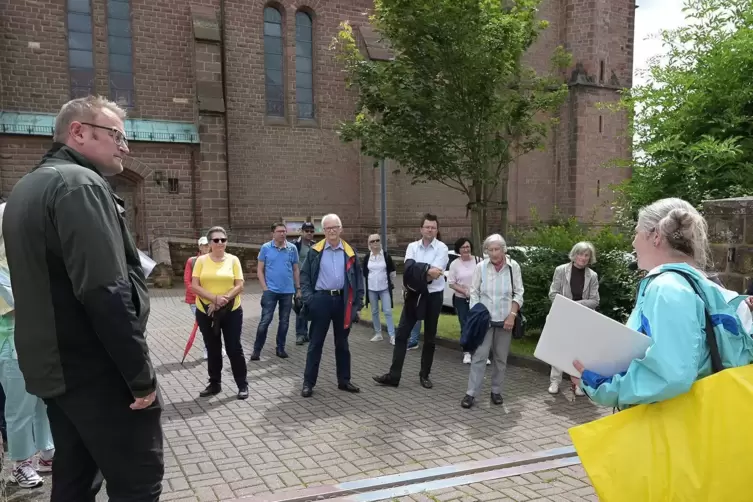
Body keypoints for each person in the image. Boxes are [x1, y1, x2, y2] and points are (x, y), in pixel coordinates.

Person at [3, 96, 163, 501]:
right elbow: (104, 290)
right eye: (116, 136)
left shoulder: (27, 187)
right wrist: (140, 376)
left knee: (75, 478)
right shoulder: (79, 184)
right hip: (97, 370)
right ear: (78, 132)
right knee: (138, 483)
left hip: (58, 369)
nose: (125, 147)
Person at [575, 198, 753, 409]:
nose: (633, 242)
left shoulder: (666, 287)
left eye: (637, 232)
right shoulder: (712, 289)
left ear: (656, 236)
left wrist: (599, 385)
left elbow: (671, 374)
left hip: (667, 428)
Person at [0, 201, 54, 489]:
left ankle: (46, 452)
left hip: (36, 342)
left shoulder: (23, 263)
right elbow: (19, 307)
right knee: (19, 407)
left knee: (42, 402)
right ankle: (20, 463)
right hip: (12, 344)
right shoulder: (2, 270)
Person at [374, 214, 449, 389]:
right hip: (414, 295)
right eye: (427, 227)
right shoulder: (412, 247)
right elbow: (408, 270)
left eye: (433, 227)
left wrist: (418, 271)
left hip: (433, 296)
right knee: (401, 335)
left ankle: (424, 375)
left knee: (429, 338)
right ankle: (394, 376)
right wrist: (425, 271)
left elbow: (436, 274)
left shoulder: (443, 248)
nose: (430, 230)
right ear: (421, 229)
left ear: (437, 230)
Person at [300, 214, 363, 398]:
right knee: (315, 344)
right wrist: (309, 299)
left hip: (343, 301)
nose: (332, 231)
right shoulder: (315, 251)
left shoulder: (350, 252)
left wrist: (357, 304)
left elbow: (358, 279)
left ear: (340, 229)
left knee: (342, 343)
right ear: (323, 231)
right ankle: (308, 383)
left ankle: (344, 381)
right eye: (327, 228)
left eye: (334, 227)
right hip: (321, 300)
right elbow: (304, 276)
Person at [460, 234, 524, 409]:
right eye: (490, 250)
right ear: (486, 251)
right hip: (484, 321)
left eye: (497, 249)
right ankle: (471, 393)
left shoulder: (513, 267)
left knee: (501, 358)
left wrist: (512, 315)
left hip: (505, 320)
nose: (494, 253)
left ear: (504, 250)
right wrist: (478, 314)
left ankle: (496, 391)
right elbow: (474, 292)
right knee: (479, 357)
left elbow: (519, 292)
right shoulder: (481, 267)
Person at [191, 226, 248, 400]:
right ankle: (215, 383)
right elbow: (194, 285)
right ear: (209, 243)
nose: (220, 243)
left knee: (234, 348)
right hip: (205, 310)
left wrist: (223, 300)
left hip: (231, 310)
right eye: (216, 240)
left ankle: (242, 384)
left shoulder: (233, 260)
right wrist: (213, 299)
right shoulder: (201, 261)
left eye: (223, 240)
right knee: (213, 348)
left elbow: (239, 285)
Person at [547, 241, 600, 396]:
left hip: (582, 317)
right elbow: (553, 293)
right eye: (580, 254)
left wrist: (576, 304)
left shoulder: (593, 276)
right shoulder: (561, 270)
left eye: (586, 255)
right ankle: (555, 381)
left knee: (579, 351)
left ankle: (578, 384)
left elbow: (595, 300)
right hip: (562, 315)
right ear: (574, 254)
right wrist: (567, 305)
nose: (583, 258)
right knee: (560, 348)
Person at [251, 222, 300, 360]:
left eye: (284, 231)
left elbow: (296, 269)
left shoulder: (292, 249)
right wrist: (265, 288)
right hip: (270, 291)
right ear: (273, 233)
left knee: (284, 322)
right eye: (279, 231)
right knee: (265, 321)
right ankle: (257, 350)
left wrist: (298, 288)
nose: (282, 234)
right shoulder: (266, 248)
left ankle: (280, 348)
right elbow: (260, 270)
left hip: (287, 291)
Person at [184, 236, 223, 360]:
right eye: (203, 245)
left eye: (207, 245)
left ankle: (216, 346)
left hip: (212, 299)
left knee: (215, 323)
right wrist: (199, 294)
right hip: (195, 300)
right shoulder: (192, 261)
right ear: (199, 247)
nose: (205, 247)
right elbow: (187, 281)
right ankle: (207, 349)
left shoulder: (214, 260)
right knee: (204, 325)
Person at [449, 238, 481, 364]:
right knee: (465, 324)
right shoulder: (454, 264)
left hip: (477, 299)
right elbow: (451, 283)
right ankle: (467, 352)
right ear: (459, 250)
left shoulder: (479, 261)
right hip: (461, 299)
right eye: (463, 247)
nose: (466, 249)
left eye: (468, 247)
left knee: (478, 324)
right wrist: (465, 291)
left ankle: (479, 351)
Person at [363, 234, 397, 343]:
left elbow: (392, 272)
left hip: (384, 288)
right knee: (374, 311)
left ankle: (392, 335)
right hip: (372, 288)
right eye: (372, 241)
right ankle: (378, 333)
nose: (375, 243)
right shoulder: (367, 257)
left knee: (387, 311)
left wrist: (388, 282)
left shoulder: (386, 256)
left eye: (377, 240)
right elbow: (365, 272)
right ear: (369, 244)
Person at [294, 221, 316, 345]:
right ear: (302, 232)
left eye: (311, 231)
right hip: (300, 282)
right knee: (300, 307)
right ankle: (300, 334)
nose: (309, 233)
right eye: (306, 231)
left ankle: (307, 333)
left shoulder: (315, 246)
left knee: (310, 307)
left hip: (312, 282)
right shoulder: (295, 246)